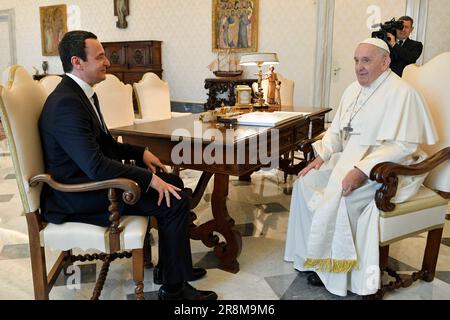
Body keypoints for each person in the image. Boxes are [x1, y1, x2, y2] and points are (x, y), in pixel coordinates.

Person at [39, 30, 217, 300]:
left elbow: (106, 144)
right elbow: (96, 166)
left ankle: (172, 269)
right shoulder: (66, 104)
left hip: (90, 184)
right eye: (100, 57)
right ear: (77, 62)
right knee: (174, 199)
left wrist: (141, 152)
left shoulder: (83, 94)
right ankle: (174, 290)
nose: (107, 62)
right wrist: (147, 180)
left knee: (174, 184)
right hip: (77, 195)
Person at [284, 38, 437, 297]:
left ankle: (334, 271)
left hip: (389, 171)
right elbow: (337, 130)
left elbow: (404, 147)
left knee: (343, 197)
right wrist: (323, 155)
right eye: (356, 60)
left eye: (366, 60)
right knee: (305, 183)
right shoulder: (352, 90)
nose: (359, 67)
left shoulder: (403, 93)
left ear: (385, 62)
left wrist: (362, 170)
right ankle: (311, 258)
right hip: (349, 160)